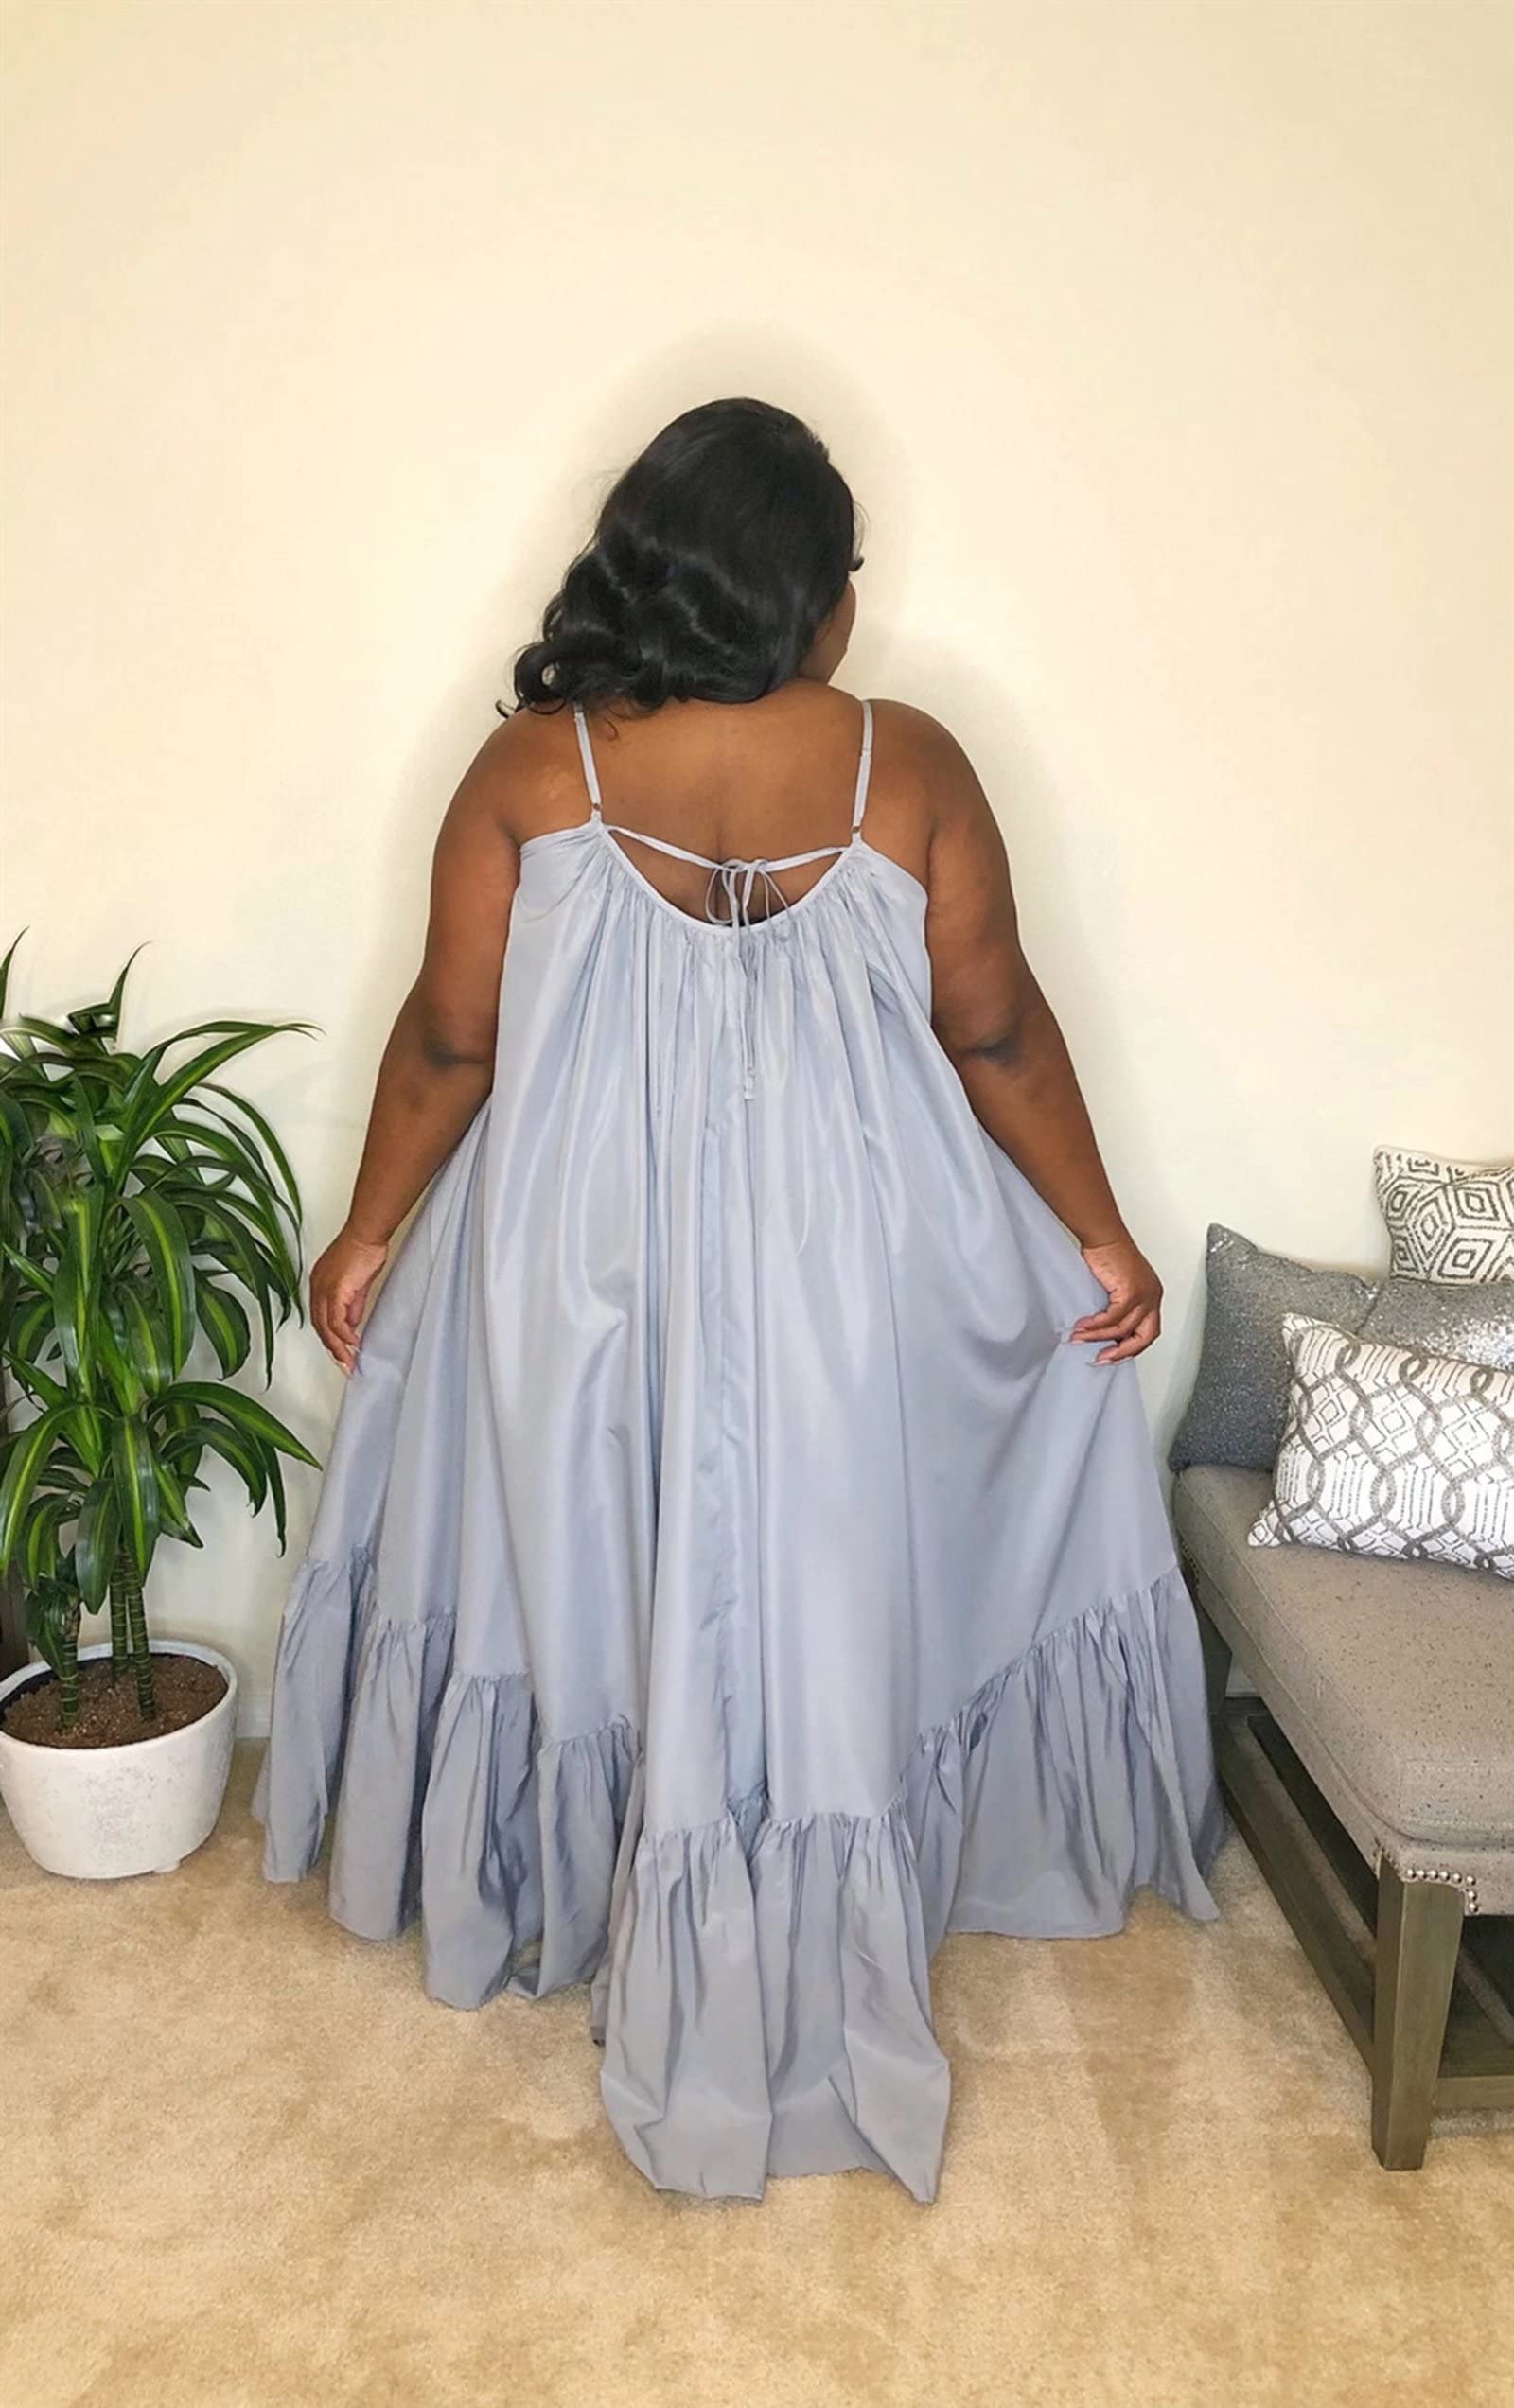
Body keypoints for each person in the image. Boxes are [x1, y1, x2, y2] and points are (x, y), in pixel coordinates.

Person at [253, 396, 1226, 2205]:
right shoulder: (903, 764)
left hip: (577, 1264)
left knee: (584, 1563)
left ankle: (579, 1878)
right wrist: (1100, 1236)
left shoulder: (531, 772)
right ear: (803, 593)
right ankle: (817, 1883)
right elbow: (996, 1030)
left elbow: (451, 1041)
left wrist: (369, 1228)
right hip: (850, 1273)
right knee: (831, 1566)